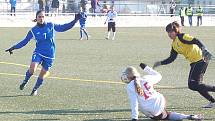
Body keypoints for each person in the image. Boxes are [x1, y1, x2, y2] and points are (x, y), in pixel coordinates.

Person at [5, 10, 81, 96]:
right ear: (36, 18)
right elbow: (24, 41)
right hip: (39, 52)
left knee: (42, 74)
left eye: (43, 17)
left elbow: (64, 27)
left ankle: (35, 89)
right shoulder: (33, 31)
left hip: (50, 55)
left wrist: (75, 20)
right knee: (32, 68)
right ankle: (25, 81)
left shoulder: (51, 25)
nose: (41, 18)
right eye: (39, 17)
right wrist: (13, 47)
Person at [153, 21, 215, 108]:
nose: (169, 34)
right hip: (195, 62)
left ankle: (212, 100)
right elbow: (172, 58)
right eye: (168, 32)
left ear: (176, 31)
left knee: (193, 85)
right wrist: (160, 63)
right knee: (196, 85)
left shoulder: (181, 36)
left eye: (171, 32)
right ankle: (212, 101)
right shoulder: (174, 44)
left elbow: (196, 40)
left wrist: (204, 49)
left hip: (200, 60)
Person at [121, 63, 203, 121]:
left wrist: (134, 118)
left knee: (166, 116)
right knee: (166, 114)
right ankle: (188, 116)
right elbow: (159, 76)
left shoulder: (130, 86)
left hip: (152, 110)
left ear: (129, 76)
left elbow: (134, 103)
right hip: (161, 100)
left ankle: (187, 116)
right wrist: (147, 68)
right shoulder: (146, 78)